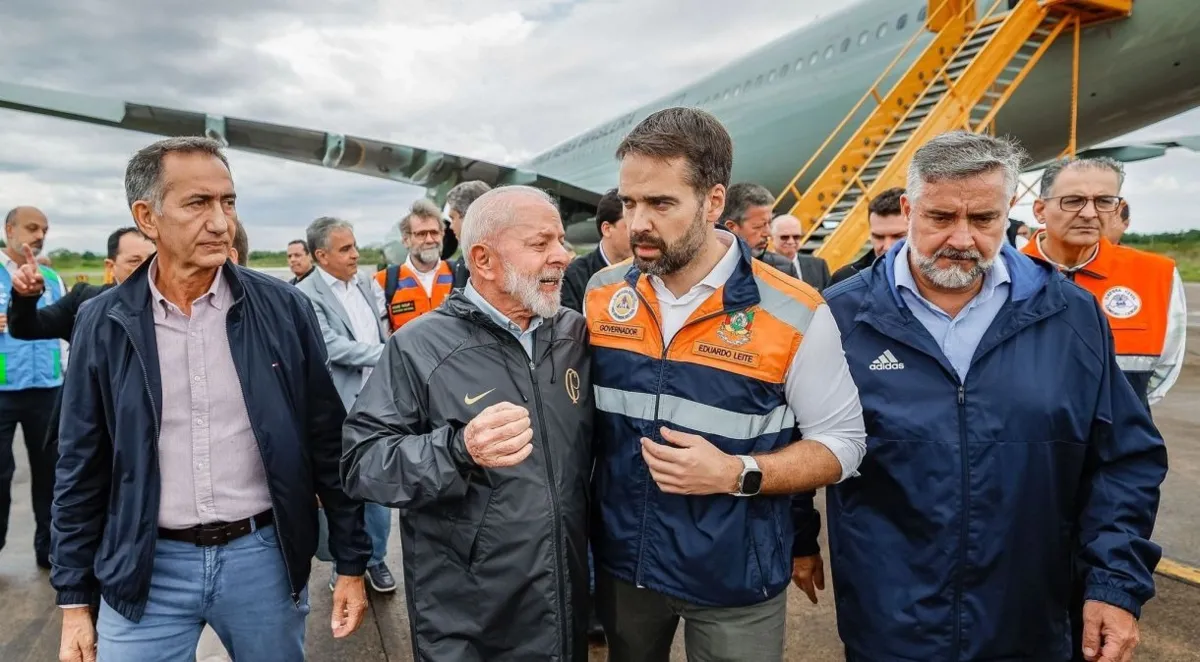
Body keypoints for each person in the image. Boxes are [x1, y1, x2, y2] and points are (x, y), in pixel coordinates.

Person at [821, 130, 1167, 661]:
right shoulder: (840, 316)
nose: (962, 238)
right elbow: (799, 442)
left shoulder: (1070, 314)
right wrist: (798, 541)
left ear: (1010, 210)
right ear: (910, 208)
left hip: (1030, 617)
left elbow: (1124, 458)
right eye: (940, 217)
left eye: (983, 220)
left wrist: (1115, 584)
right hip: (891, 621)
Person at [52, 136, 371, 662]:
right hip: (145, 568)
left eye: (228, 202)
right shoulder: (103, 322)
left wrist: (351, 561)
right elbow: (80, 465)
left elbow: (326, 440)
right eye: (198, 203)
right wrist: (73, 600)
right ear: (147, 216)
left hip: (263, 560)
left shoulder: (284, 310)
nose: (221, 222)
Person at [584, 107, 866, 662]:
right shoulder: (601, 294)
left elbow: (845, 444)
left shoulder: (794, 311)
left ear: (714, 202)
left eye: (661, 204)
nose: (639, 222)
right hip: (626, 569)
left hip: (735, 576)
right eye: (630, 202)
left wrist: (739, 472)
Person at [342, 185, 593, 661]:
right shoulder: (419, 347)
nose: (562, 256)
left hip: (564, 603)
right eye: (541, 244)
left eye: (561, 241)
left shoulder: (573, 333)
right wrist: (458, 450)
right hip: (470, 619)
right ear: (484, 259)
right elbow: (362, 462)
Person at [1021, 157, 1187, 408]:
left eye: (1104, 201)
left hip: (1117, 438)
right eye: (1073, 201)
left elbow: (1162, 372)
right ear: (1040, 210)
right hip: (1023, 439)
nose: (1089, 213)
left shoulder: (1156, 274)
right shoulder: (1003, 275)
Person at [296, 215, 396, 594]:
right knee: (341, 490)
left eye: (354, 246)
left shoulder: (365, 284)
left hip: (378, 405)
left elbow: (378, 328)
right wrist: (389, 353)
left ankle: (376, 558)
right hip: (338, 409)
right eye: (346, 249)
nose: (356, 254)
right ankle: (344, 560)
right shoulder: (307, 295)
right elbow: (331, 348)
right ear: (321, 255)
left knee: (379, 485)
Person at [0, 205, 69, 569]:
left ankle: (50, 550)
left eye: (44, 228)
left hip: (47, 389)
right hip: (2, 390)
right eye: (31, 227)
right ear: (9, 229)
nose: (39, 234)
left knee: (51, 474)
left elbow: (65, 334)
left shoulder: (53, 279)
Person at [375, 199, 454, 335]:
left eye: (434, 233)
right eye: (421, 234)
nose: (429, 240)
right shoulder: (384, 282)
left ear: (442, 235)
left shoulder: (460, 275)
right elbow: (380, 336)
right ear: (406, 240)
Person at [562, 188, 632, 313]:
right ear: (607, 229)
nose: (638, 232)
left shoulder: (651, 272)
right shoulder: (575, 276)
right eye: (630, 226)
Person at [717, 182, 801, 279]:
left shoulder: (784, 269)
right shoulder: (703, 271)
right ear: (731, 227)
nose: (768, 233)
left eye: (769, 223)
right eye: (759, 226)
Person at [829, 186, 907, 285]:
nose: (887, 247)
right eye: (878, 237)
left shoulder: (932, 277)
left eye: (898, 236)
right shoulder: (844, 281)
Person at [767, 213, 832, 291]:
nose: (791, 241)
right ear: (771, 238)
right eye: (784, 237)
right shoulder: (761, 266)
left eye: (796, 237)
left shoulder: (818, 265)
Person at [445, 180, 492, 287]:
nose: (451, 226)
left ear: (468, 216)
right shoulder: (464, 261)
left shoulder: (481, 261)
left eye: (453, 218)